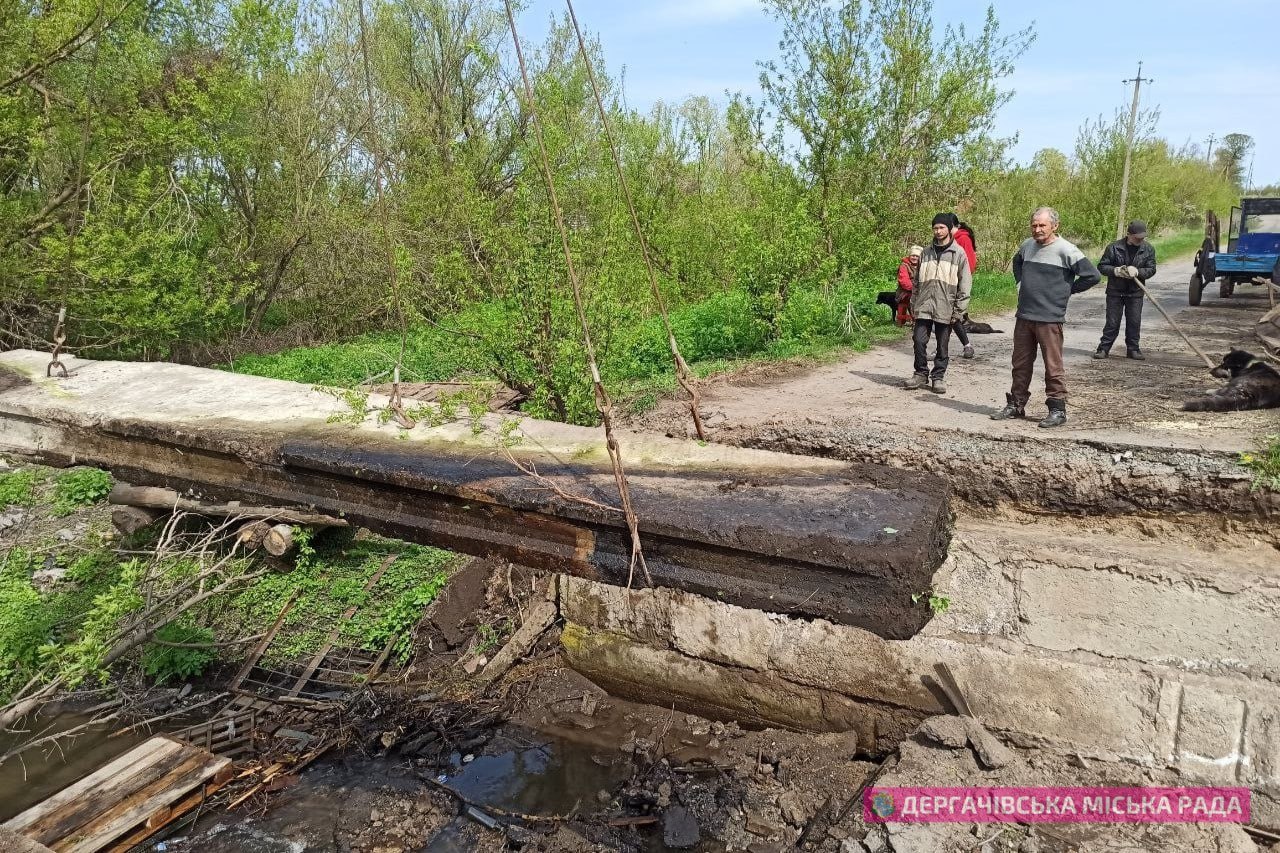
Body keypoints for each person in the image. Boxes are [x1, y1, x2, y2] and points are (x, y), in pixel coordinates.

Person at [991, 207, 1101, 428]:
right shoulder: (1027, 246)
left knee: (1053, 365)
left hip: (1050, 317)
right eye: (1034, 225)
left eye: (1042, 225)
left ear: (1054, 226)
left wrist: (1067, 289)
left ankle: (1057, 410)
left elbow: (1093, 276)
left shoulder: (1066, 250)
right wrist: (1020, 283)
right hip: (1025, 315)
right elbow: (1017, 262)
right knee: (1020, 363)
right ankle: (1016, 404)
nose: (1037, 229)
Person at [904, 214, 972, 395]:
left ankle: (938, 377)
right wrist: (913, 303)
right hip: (924, 305)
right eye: (935, 228)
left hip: (946, 306)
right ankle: (920, 373)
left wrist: (958, 310)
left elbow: (965, 285)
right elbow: (917, 282)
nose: (938, 231)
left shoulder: (958, 254)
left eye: (942, 227)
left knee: (943, 344)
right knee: (918, 340)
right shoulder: (925, 253)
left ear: (949, 229)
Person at [1094, 220, 1157, 360]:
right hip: (1115, 291)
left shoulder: (1148, 249)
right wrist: (1116, 271)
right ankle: (1103, 349)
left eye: (1143, 237)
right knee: (1112, 322)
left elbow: (1152, 269)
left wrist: (1138, 272)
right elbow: (1102, 266)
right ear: (1129, 234)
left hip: (1135, 292)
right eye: (1138, 237)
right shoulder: (1113, 248)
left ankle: (1133, 350)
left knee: (1134, 322)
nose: (1141, 239)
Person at [941, 213, 979, 358]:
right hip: (946, 283)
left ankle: (944, 348)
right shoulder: (949, 240)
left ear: (953, 226)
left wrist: (961, 283)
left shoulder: (963, 239)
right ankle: (966, 346)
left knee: (951, 316)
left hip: (957, 284)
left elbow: (969, 263)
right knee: (950, 317)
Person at [894, 245, 924, 326]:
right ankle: (915, 320)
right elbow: (904, 282)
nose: (914, 258)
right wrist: (916, 290)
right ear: (909, 256)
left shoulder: (923, 266)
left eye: (917, 256)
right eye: (913, 255)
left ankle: (925, 320)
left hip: (919, 290)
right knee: (914, 297)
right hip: (905, 293)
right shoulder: (904, 266)